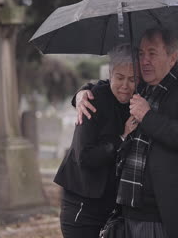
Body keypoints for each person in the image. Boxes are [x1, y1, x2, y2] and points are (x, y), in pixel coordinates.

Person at [74, 27, 178, 238]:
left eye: (152, 53)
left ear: (172, 57)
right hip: (127, 212)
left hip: (165, 214)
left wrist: (147, 116)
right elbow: (111, 83)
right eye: (141, 53)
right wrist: (82, 93)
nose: (144, 60)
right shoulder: (141, 86)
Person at [54, 44, 138, 238]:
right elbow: (85, 157)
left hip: (112, 208)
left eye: (132, 79)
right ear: (110, 74)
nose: (125, 85)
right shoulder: (92, 100)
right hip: (82, 206)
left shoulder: (135, 103)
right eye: (119, 78)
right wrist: (122, 138)